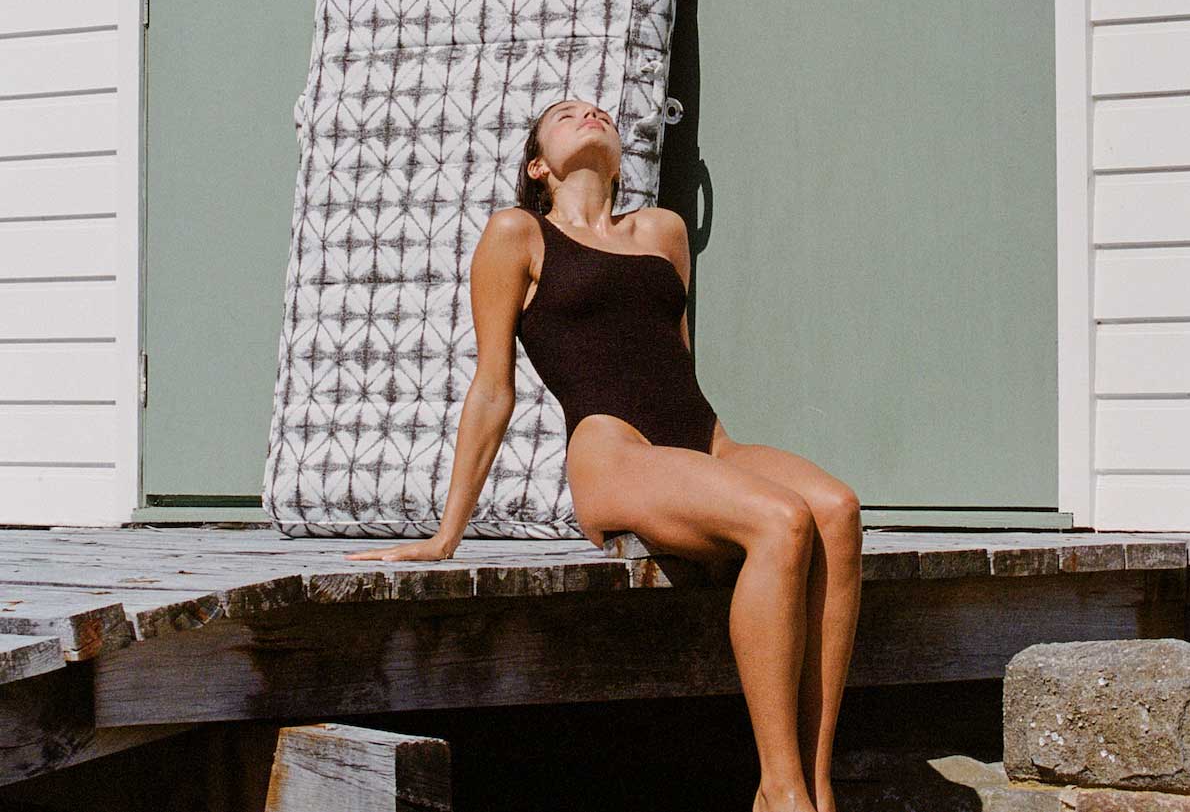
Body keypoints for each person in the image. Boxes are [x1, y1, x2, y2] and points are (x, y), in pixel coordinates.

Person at [346, 97, 863, 812]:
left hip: (704, 438)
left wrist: (710, 466)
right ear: (538, 165)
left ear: (622, 161)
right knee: (782, 519)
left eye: (598, 112)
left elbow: (672, 359)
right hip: (614, 448)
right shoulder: (517, 234)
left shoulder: (663, 230)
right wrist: (446, 535)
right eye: (564, 115)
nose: (589, 113)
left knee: (836, 509)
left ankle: (817, 784)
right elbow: (493, 387)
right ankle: (781, 789)